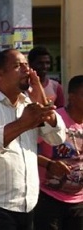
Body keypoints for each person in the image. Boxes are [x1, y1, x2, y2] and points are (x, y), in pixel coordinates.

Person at [0, 48, 66, 230]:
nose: (27, 71)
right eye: (18, 66)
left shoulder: (28, 104)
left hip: (28, 203)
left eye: (27, 65)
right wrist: (23, 123)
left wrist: (46, 110)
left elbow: (57, 138)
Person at [34, 75, 83, 229]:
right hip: (49, 197)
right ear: (72, 97)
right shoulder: (53, 119)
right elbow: (25, 151)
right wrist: (49, 164)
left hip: (79, 202)